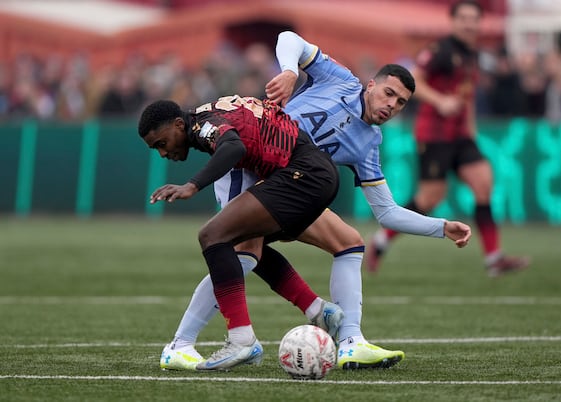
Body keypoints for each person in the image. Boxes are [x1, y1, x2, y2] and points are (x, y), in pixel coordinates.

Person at [159, 30, 472, 372]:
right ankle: (181, 345)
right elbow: (288, 38)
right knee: (244, 252)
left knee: (349, 243)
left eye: (400, 103)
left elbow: (387, 213)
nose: (391, 105)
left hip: (293, 183)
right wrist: (291, 71)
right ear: (370, 85)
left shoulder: (368, 144)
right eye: (388, 93)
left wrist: (440, 227)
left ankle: (351, 342)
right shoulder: (340, 81)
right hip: (248, 166)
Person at [138, 96, 345, 370]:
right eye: (156, 150)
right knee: (244, 245)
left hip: (303, 175)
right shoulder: (211, 114)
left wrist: (192, 185)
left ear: (179, 124)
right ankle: (318, 310)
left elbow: (233, 146)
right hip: (316, 175)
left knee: (212, 236)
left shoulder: (203, 125)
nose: (163, 153)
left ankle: (240, 339)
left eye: (162, 144)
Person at [367, 0, 530, 277]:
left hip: (461, 135)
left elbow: (465, 99)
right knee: (430, 199)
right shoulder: (440, 50)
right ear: (453, 21)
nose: (469, 24)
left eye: (473, 19)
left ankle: (493, 259)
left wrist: (471, 131)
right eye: (463, 18)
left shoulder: (472, 54)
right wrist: (441, 101)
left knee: (483, 183)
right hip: (434, 134)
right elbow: (414, 81)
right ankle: (381, 241)